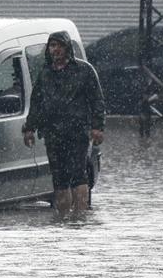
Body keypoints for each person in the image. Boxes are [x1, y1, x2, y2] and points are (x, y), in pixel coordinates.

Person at [22, 30, 106, 219]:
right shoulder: (45, 74)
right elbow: (36, 104)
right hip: (53, 133)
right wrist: (29, 128)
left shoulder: (84, 71)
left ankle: (80, 216)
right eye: (52, 46)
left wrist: (97, 126)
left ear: (67, 48)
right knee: (59, 179)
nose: (56, 50)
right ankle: (61, 218)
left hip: (77, 132)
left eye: (59, 45)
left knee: (78, 174)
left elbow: (97, 100)